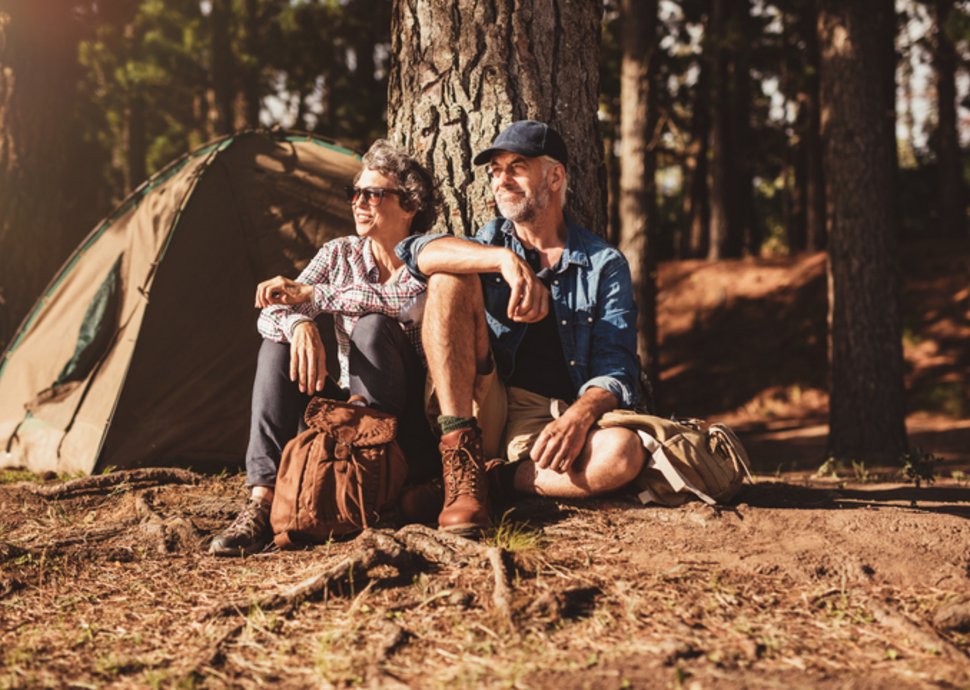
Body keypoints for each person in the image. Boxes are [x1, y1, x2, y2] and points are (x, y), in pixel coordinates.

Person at [397, 120, 646, 535]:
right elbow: (415, 251)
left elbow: (617, 369)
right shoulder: (490, 240)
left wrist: (580, 416)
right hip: (478, 400)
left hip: (545, 419)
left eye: (516, 167)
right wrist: (502, 261)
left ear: (554, 176)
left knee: (621, 454)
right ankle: (461, 464)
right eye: (495, 170)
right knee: (447, 276)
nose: (501, 180)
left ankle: (494, 482)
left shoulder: (604, 264)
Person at [209, 140, 439, 556]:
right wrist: (299, 323)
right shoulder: (339, 253)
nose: (359, 202)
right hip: (348, 413)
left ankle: (371, 487)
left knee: (372, 328)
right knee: (277, 346)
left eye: (373, 194)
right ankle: (260, 502)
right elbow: (270, 314)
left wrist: (314, 295)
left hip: (407, 432)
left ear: (409, 206)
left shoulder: (425, 255)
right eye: (355, 193)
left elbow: (397, 302)